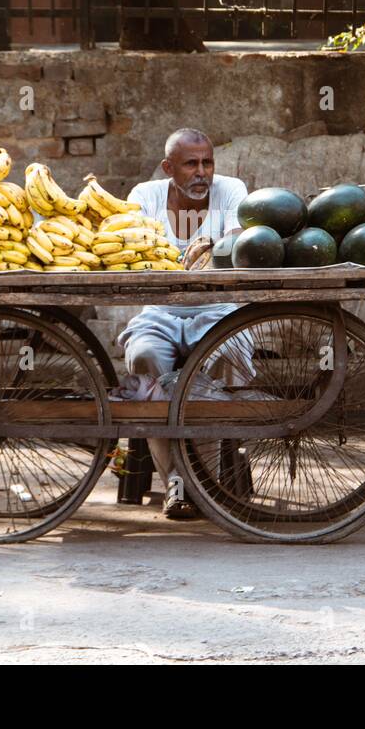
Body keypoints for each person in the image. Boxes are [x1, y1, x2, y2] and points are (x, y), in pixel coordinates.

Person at [117, 128, 247, 520]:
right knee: (144, 359)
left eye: (207, 162)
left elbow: (239, 247)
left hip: (218, 312)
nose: (201, 172)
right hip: (159, 313)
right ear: (168, 168)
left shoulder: (232, 191)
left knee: (216, 362)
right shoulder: (145, 196)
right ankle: (177, 483)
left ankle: (204, 481)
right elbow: (129, 249)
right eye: (191, 164)